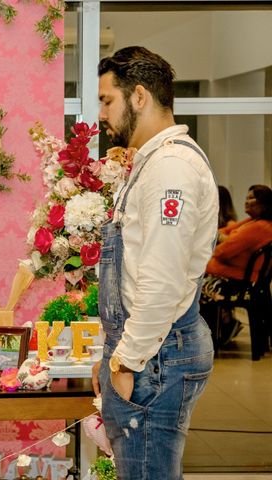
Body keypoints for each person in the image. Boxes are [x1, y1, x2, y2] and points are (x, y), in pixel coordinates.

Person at [91, 46, 218, 479]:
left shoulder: (170, 169)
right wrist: (111, 356)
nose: (102, 115)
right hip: (150, 351)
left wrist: (126, 361)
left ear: (139, 96)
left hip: (157, 357)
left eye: (107, 100)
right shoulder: (152, 164)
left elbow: (161, 281)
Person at [201, 184, 272, 345]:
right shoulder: (253, 222)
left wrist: (224, 240)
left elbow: (221, 252)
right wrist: (227, 239)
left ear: (265, 203)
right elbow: (227, 234)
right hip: (233, 274)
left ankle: (214, 335)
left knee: (192, 287)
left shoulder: (259, 227)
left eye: (252, 198)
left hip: (235, 281)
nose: (247, 201)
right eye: (247, 197)